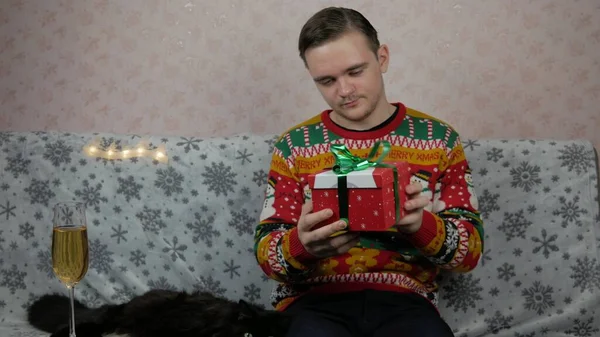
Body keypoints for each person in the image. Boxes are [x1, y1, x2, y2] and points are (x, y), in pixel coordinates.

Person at [253, 6, 484, 337]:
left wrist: (420, 225)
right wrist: (301, 245)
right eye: (327, 80)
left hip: (405, 303)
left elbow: (470, 254)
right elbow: (267, 255)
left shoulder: (439, 140)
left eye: (355, 71)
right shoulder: (294, 146)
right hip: (312, 304)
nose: (344, 90)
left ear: (383, 58)